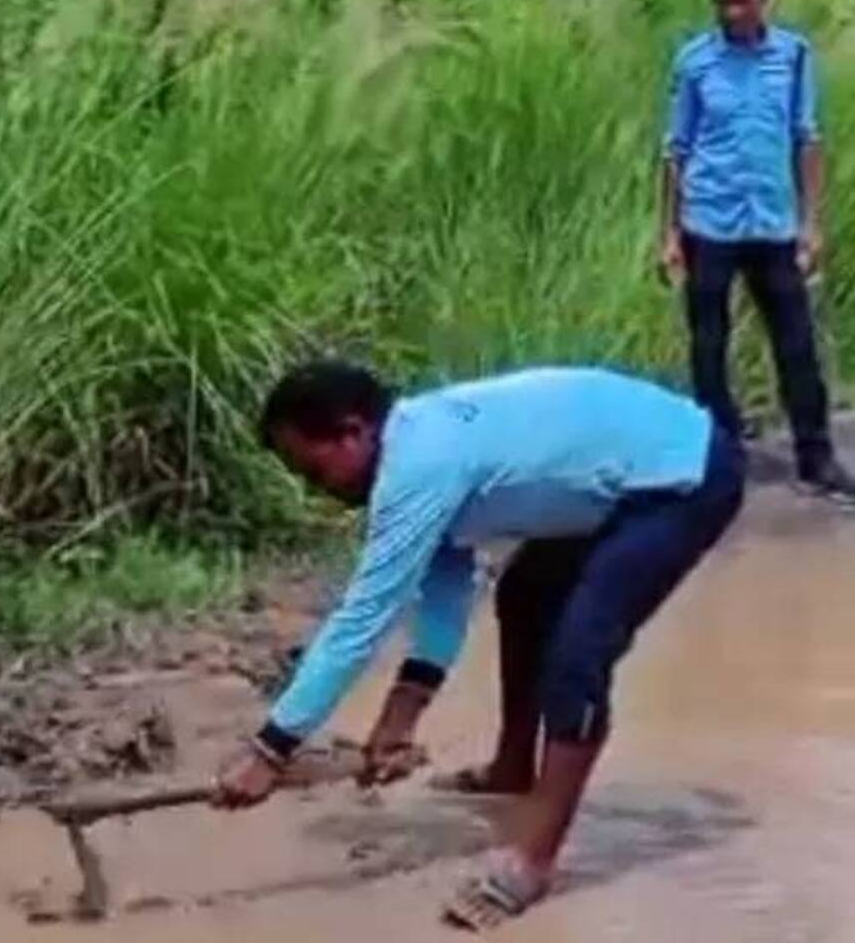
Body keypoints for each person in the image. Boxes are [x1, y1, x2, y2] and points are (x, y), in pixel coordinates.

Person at [213, 362, 744, 931]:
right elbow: (446, 586)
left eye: (313, 471)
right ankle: (513, 767)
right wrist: (400, 716)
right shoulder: (417, 446)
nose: (315, 488)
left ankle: (533, 861)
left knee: (577, 659)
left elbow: (362, 619)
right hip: (627, 476)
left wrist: (271, 749)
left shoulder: (419, 466)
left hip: (683, 478)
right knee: (522, 597)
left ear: (353, 432)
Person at [661, 0, 853, 497]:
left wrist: (811, 224)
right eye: (723, 4)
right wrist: (669, 234)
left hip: (772, 224)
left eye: (743, 2)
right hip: (710, 220)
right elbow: (675, 151)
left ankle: (815, 457)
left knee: (795, 343)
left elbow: (807, 137)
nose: (733, 14)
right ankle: (717, 457)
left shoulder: (793, 57)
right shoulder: (695, 62)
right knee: (708, 344)